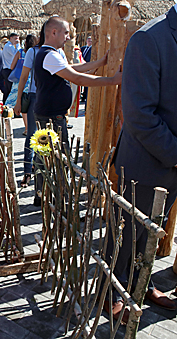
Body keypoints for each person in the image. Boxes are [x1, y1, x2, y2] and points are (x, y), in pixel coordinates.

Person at [105, 4, 177, 323]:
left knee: (153, 235)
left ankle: (140, 286)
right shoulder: (149, 38)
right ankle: (112, 295)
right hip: (148, 162)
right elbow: (138, 116)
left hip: (171, 159)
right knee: (129, 236)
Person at [32, 16, 121, 205]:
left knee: (46, 157)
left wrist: (99, 63)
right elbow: (78, 78)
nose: (68, 37)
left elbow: (71, 69)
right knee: (58, 160)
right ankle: (60, 201)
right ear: (53, 32)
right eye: (65, 32)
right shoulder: (50, 55)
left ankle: (42, 196)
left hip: (49, 113)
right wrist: (112, 80)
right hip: (52, 117)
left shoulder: (49, 54)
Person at [13, 33, 41, 188]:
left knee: (46, 137)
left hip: (50, 100)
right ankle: (27, 172)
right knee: (31, 135)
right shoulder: (33, 52)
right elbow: (23, 77)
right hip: (35, 96)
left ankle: (39, 172)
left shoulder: (58, 51)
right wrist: (18, 101)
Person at [1, 32, 20, 103]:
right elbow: (17, 53)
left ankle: (5, 104)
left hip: (8, 69)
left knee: (8, 88)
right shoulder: (9, 46)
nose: (17, 40)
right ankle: (7, 104)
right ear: (11, 38)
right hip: (8, 69)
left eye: (18, 39)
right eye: (15, 39)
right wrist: (18, 44)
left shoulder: (9, 46)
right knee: (9, 89)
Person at [80, 35, 92, 103]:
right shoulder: (83, 48)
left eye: (91, 40)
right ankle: (82, 96)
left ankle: (86, 96)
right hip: (81, 66)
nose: (90, 41)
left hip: (88, 67)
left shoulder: (93, 49)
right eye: (89, 40)